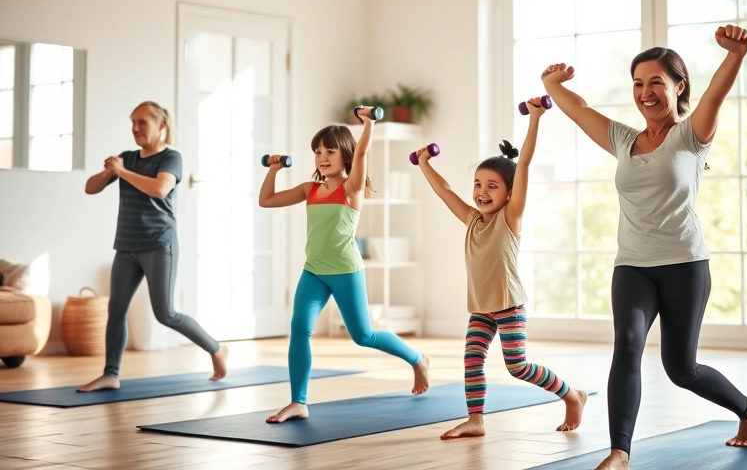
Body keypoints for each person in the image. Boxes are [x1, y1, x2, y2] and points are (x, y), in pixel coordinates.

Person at [541, 25, 747, 470]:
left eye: (656, 83)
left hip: (685, 264)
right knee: (626, 343)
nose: (645, 92)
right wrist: (552, 85)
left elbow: (716, 97)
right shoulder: (624, 140)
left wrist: (737, 55)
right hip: (633, 266)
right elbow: (579, 109)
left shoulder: (691, 135)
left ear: (678, 87)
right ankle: (619, 451)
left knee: (681, 370)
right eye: (638, 83)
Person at [413, 97, 587, 440]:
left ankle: (572, 395)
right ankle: (475, 420)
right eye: (478, 185)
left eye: (492, 186)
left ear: (509, 194)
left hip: (508, 305)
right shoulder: (472, 220)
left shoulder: (509, 219)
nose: (481, 192)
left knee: (517, 366)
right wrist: (423, 164)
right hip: (481, 307)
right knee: (472, 359)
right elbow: (444, 190)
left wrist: (535, 118)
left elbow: (522, 168)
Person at [259, 108, 430, 423]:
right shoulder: (309, 190)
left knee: (363, 336)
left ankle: (418, 359)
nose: (322, 157)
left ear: (346, 156)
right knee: (299, 329)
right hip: (313, 271)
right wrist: (273, 170)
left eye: (330, 151)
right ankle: (298, 402)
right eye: (317, 151)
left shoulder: (351, 189)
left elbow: (363, 150)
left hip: (346, 272)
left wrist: (369, 124)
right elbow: (266, 201)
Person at [78, 101, 228, 392]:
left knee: (166, 314)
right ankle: (110, 374)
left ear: (161, 125)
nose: (135, 128)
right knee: (116, 309)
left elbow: (160, 189)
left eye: (142, 122)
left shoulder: (171, 158)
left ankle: (216, 349)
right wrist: (110, 171)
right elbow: (90, 187)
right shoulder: (127, 159)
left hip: (159, 244)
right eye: (132, 122)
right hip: (126, 245)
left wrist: (121, 173)